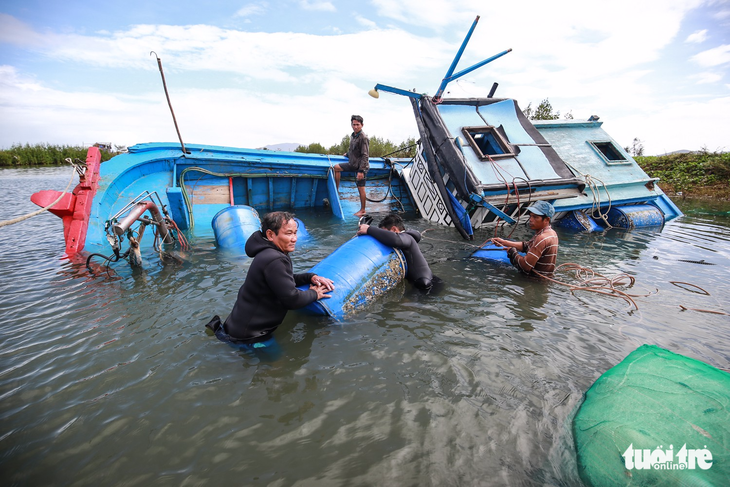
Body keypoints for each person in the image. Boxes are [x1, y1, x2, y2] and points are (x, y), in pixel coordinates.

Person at [206, 211, 334, 344]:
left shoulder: (269, 253)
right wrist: (314, 293)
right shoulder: (274, 259)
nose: (294, 238)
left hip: (237, 326)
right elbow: (292, 300)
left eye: (295, 232)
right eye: (288, 233)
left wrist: (310, 277)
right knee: (279, 364)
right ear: (270, 234)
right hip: (250, 336)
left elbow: (284, 281)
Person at [357, 213, 437, 291]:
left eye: (384, 232)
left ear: (394, 229)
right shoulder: (408, 237)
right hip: (422, 282)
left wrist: (369, 229)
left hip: (423, 284)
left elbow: (396, 240)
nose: (383, 236)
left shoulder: (406, 237)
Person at [491, 200, 559, 277]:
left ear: (547, 219)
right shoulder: (551, 233)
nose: (531, 219)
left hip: (535, 281)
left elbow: (525, 266)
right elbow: (527, 246)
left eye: (535, 217)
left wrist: (512, 252)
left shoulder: (541, 238)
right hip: (545, 278)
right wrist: (504, 242)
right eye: (530, 216)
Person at [333, 115, 369, 217]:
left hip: (361, 167)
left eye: (358, 125)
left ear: (362, 125)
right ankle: (336, 190)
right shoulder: (353, 135)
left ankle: (362, 210)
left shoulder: (363, 137)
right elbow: (354, 150)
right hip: (352, 164)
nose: (355, 127)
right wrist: (348, 154)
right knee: (336, 167)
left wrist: (361, 171)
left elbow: (365, 155)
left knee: (361, 187)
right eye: (354, 124)